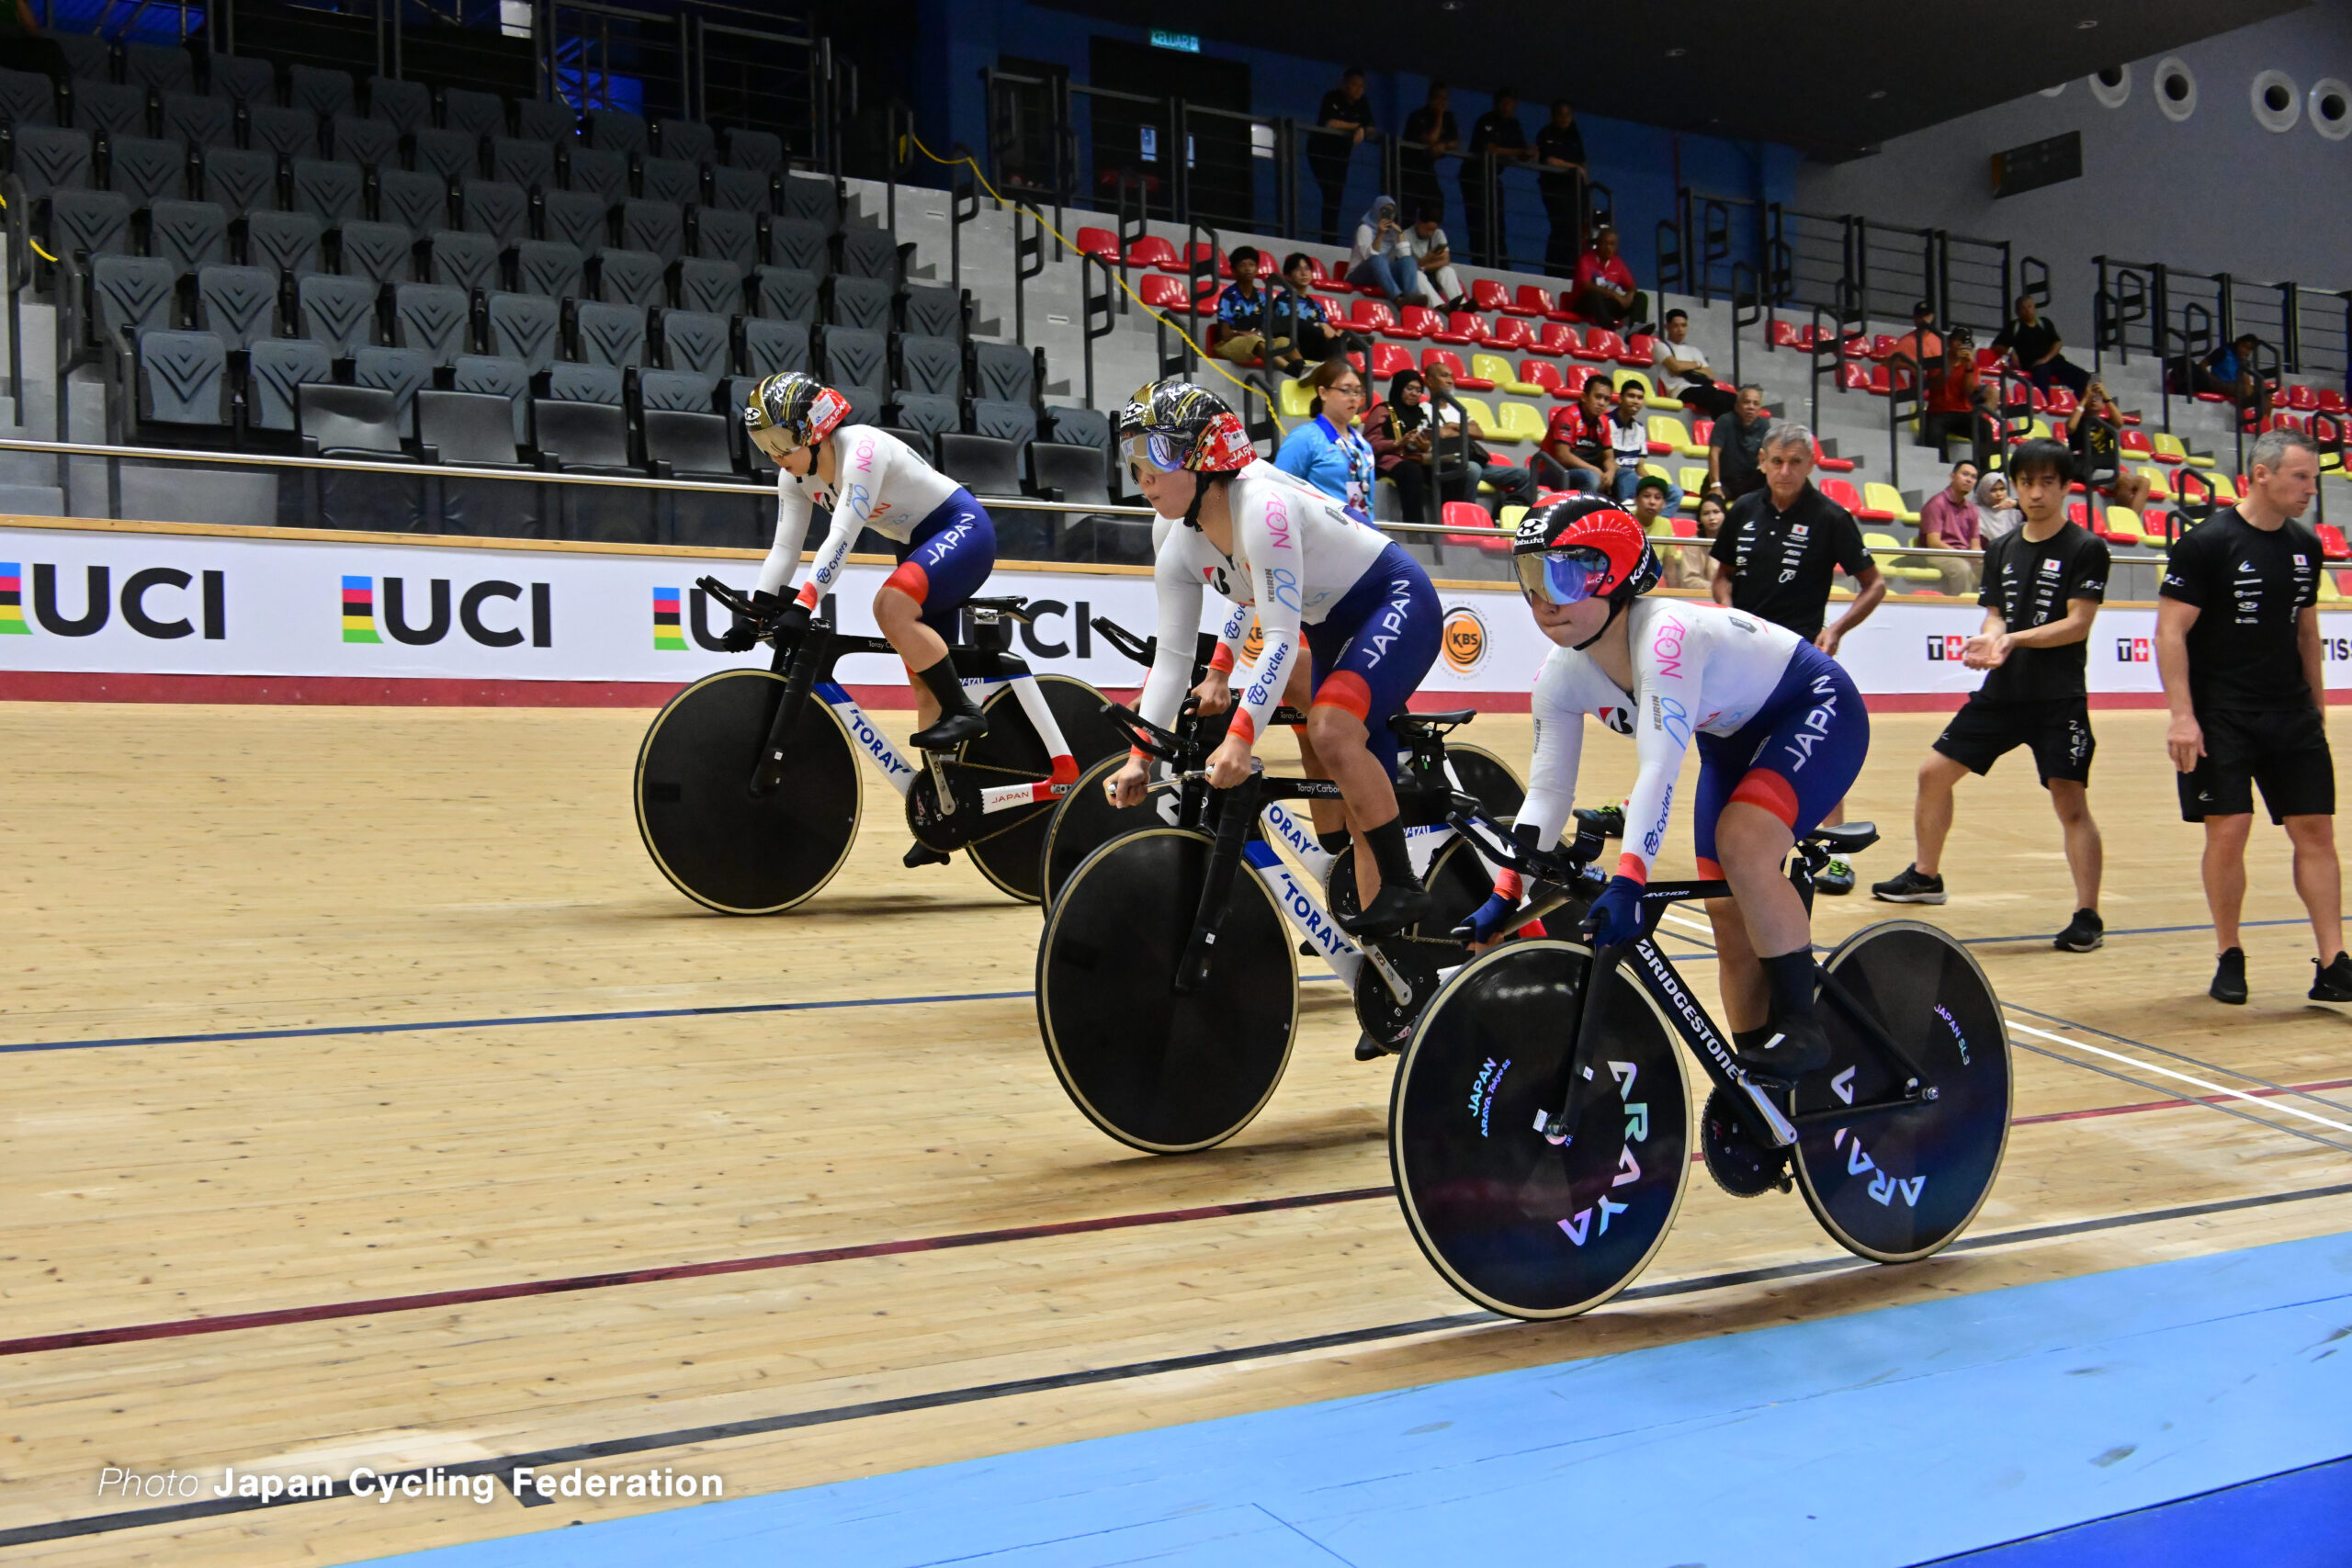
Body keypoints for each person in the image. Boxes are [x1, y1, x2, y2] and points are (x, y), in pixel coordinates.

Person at [1461, 498, 1871, 1084]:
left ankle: (1802, 1027)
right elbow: (1548, 795)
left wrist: (1630, 879)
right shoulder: (1559, 674)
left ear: (1619, 574)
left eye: (1566, 573)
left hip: (1815, 706)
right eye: (1530, 575)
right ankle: (1760, 1083)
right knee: (1726, 914)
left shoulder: (1666, 637)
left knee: (1743, 842)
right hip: (1731, 738)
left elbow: (1658, 771)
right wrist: (1506, 895)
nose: (1544, 598)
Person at [1109, 378, 1444, 942]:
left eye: (1158, 453)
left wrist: (1240, 739)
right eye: (1132, 455)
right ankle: (1393, 985)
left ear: (1207, 455)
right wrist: (1140, 758)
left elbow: (1281, 639)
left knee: (1332, 729)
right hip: (1335, 623)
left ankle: (1403, 882)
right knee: (1362, 808)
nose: (1142, 474)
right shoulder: (1175, 538)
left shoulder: (1261, 508)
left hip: (1396, 600)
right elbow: (1171, 659)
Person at [739, 372, 1040, 869]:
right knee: (923, 688)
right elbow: (785, 547)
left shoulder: (860, 449)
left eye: (780, 440)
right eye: (761, 442)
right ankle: (943, 816)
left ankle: (967, 710)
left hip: (960, 529)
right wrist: (757, 610)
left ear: (815, 430)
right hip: (919, 545)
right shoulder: (793, 475)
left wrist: (804, 603)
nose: (773, 453)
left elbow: (842, 535)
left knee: (890, 607)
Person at [1871, 440, 2109, 953]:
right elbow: (1996, 611)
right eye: (2027, 482)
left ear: (2066, 487)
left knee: (2071, 803)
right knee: (1933, 773)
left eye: (2048, 482)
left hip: (2057, 698)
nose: (2036, 492)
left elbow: (2078, 623)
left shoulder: (2086, 547)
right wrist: (1991, 635)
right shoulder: (2002, 546)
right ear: (2016, 487)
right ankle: (1926, 876)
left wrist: (2013, 639)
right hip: (2003, 692)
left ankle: (2087, 913)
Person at [2155, 428, 2350, 1005]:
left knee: (2315, 830)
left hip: (2291, 714)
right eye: (2301, 477)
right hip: (2221, 716)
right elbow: (2170, 631)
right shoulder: (2206, 543)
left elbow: (2306, 630)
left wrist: (2317, 704)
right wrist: (2182, 717)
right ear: (2261, 474)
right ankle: (2229, 953)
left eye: (2314, 478)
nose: (2310, 489)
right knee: (2230, 830)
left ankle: (2334, 962)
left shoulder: (2305, 544)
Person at [1708, 422, 1886, 895]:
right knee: (1726, 747)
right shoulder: (1743, 510)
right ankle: (1737, 841)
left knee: (1814, 746)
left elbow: (1875, 584)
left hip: (1798, 662)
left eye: (1796, 462)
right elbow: (1721, 575)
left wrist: (1837, 628)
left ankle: (1837, 853)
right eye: (1777, 461)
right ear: (1762, 462)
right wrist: (1725, 609)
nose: (1785, 471)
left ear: (1812, 465)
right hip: (1742, 656)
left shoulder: (1831, 517)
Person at [1424, 358, 1539, 514]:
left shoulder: (1457, 408)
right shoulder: (1423, 409)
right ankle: (1466, 515)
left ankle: (1504, 512)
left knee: (1526, 475)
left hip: (1472, 459)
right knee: (1472, 469)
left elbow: (1478, 433)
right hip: (1447, 462)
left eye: (1451, 376)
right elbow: (1439, 436)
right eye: (1444, 376)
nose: (1450, 380)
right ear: (1429, 381)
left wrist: (1455, 426)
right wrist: (1462, 429)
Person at [1273, 358, 1374, 513]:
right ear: (1323, 393)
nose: (1353, 398)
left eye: (1357, 391)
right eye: (1345, 390)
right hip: (1317, 533)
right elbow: (1276, 492)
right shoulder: (1304, 439)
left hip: (1360, 532)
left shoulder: (1363, 445)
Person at [1366, 367, 1444, 522]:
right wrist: (1396, 443)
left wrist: (1426, 446)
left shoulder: (1421, 414)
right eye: (1410, 388)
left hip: (1416, 457)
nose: (1414, 394)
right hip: (1388, 460)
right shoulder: (1383, 410)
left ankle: (1448, 526)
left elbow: (1428, 443)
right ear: (1399, 387)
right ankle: (1414, 528)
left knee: (1451, 471)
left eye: (1418, 390)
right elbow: (1369, 444)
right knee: (1412, 471)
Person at [1309, 68, 1376, 245]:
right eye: (1354, 85)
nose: (1358, 89)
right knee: (1331, 192)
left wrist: (1363, 129)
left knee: (1336, 196)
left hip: (1341, 155)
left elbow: (1370, 128)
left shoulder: (1363, 103)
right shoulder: (1332, 97)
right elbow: (1330, 123)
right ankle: (1328, 239)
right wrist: (1356, 126)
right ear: (1344, 85)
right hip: (1321, 151)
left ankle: (1330, 239)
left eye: (1361, 86)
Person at [1461, 87, 1527, 265]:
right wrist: (1518, 151)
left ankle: (1501, 263)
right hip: (1474, 176)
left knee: (1498, 221)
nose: (1509, 107)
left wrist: (1527, 152)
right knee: (1479, 222)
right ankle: (1481, 261)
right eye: (1505, 102)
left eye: (1511, 103)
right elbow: (1488, 148)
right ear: (1497, 104)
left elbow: (1522, 151)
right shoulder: (1486, 120)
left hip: (1493, 177)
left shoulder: (1514, 125)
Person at [1271, 253, 1367, 372]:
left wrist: (1333, 332)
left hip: (1316, 345)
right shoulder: (1283, 299)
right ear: (1288, 276)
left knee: (1341, 333)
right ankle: (1345, 344)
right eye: (1298, 269)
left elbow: (1326, 328)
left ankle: (1344, 342)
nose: (1304, 273)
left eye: (1307, 269)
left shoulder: (1315, 305)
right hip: (1297, 345)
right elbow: (1284, 326)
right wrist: (1318, 325)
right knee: (1307, 327)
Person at [2068, 379, 2153, 514]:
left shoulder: (2106, 424)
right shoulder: (2079, 422)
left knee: (2144, 482)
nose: (2095, 400)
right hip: (2087, 469)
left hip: (2106, 468)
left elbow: (2120, 422)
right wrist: (2084, 399)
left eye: (2098, 398)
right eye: (2092, 398)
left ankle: (2132, 522)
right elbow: (2070, 427)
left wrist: (2106, 396)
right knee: (2124, 480)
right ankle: (2124, 520)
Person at [1917, 336, 1993, 470]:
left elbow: (1969, 391)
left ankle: (1984, 470)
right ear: (1949, 344)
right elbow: (1936, 385)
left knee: (1985, 426)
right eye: (1957, 340)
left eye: (1963, 342)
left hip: (1963, 413)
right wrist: (1951, 363)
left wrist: (1969, 367)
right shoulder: (1938, 362)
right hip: (1939, 412)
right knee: (1933, 430)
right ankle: (1942, 468)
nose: (1960, 345)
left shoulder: (1971, 365)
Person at [1992, 294, 2089, 397]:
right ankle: (2042, 405)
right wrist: (2011, 353)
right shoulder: (2013, 327)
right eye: (2023, 308)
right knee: (2041, 373)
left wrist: (2045, 359)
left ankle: (2080, 406)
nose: (2028, 310)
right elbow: (1996, 346)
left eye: (2030, 306)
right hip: (2033, 365)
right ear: (2018, 312)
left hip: (2056, 362)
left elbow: (2057, 343)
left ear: (2034, 308)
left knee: (2084, 378)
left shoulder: (2045, 323)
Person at [1604, 378, 1679, 510]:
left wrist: (1654, 483)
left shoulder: (1639, 428)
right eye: (1631, 396)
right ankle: (1630, 519)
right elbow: (1605, 460)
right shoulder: (1605, 422)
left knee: (1674, 492)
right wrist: (1634, 476)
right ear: (1620, 399)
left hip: (1632, 478)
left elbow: (1640, 467)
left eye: (1639, 398)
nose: (1635, 401)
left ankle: (1650, 524)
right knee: (1629, 475)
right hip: (1614, 477)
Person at [1534, 98, 1588, 276]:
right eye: (1561, 114)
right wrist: (1574, 168)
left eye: (1568, 114)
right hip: (1554, 189)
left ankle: (1571, 268)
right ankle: (1554, 269)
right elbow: (1550, 160)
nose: (1565, 118)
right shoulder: (1546, 133)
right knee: (1560, 228)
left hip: (1574, 191)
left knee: (1574, 230)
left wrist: (1583, 178)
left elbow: (1582, 163)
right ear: (1553, 116)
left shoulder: (1574, 135)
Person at [1915, 457, 1982, 597]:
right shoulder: (1936, 503)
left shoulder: (1973, 509)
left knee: (1993, 569)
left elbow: (1975, 544)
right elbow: (1934, 542)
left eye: (1973, 477)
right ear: (1952, 477)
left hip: (1963, 554)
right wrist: (1963, 556)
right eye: (1965, 474)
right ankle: (1962, 612)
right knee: (1962, 569)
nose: (1969, 480)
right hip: (1937, 553)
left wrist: (1978, 557)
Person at [1539, 373, 1615, 495]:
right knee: (1590, 478)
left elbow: (1608, 456)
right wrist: (1595, 470)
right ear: (1584, 397)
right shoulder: (1568, 416)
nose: (1602, 403)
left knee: (1626, 475)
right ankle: (1581, 513)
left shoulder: (1604, 421)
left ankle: (1622, 511)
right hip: (1554, 470)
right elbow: (1562, 456)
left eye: (1606, 399)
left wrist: (1610, 472)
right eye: (1598, 397)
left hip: (1584, 471)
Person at [1651, 310, 1734, 418]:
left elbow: (1710, 375)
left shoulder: (1694, 350)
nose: (1680, 330)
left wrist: (1684, 367)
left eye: (1683, 325)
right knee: (1716, 397)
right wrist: (1697, 364)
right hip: (1680, 390)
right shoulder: (1660, 346)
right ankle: (1720, 431)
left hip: (1702, 388)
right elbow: (1676, 366)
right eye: (1676, 326)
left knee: (1735, 400)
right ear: (1667, 327)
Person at [1398, 81, 1458, 231]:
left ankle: (1429, 245)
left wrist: (1443, 146)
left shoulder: (1449, 117)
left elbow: (1455, 142)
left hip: (1427, 171)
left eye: (1445, 99)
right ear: (1430, 99)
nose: (1442, 102)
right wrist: (1438, 118)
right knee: (1407, 213)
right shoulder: (1417, 116)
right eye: (1439, 98)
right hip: (1409, 171)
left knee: (1435, 204)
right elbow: (1430, 139)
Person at [1209, 246, 1277, 366]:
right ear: (1233, 270)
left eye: (1252, 265)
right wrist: (1246, 334)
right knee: (1255, 340)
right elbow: (1225, 334)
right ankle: (1288, 368)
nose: (1248, 269)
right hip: (1232, 344)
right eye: (1242, 265)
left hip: (1258, 342)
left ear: (1257, 269)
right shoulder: (1229, 296)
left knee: (1285, 342)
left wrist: (1254, 334)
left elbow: (1267, 330)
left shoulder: (1262, 298)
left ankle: (1303, 370)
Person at [1349, 195, 1423, 303]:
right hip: (1359, 275)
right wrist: (1380, 234)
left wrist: (1400, 234)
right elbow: (1370, 257)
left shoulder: (1393, 232)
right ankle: (1398, 299)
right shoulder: (1365, 229)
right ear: (1376, 211)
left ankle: (1412, 296)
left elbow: (1405, 255)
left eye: (1392, 211)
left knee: (1409, 261)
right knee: (1379, 259)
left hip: (1383, 275)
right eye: (1384, 210)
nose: (1389, 214)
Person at [1572, 226, 1645, 331]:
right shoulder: (1585, 260)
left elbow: (1632, 286)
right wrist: (1615, 295)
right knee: (1593, 295)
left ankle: (1635, 332)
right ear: (1598, 244)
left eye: (1612, 244)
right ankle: (1610, 330)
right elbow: (1586, 286)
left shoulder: (1618, 263)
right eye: (1605, 243)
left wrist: (1629, 295)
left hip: (1606, 305)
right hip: (1585, 303)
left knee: (1640, 297)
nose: (1608, 247)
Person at [1706, 384, 1771, 502]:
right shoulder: (1724, 421)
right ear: (1737, 405)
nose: (1751, 407)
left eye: (1755, 404)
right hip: (1723, 480)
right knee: (1714, 502)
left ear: (1760, 409)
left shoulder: (1764, 425)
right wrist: (1715, 485)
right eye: (1746, 402)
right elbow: (1713, 453)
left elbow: (1769, 454)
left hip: (1747, 481)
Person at [2194, 333, 2273, 423]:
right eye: (2245, 347)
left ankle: (2264, 424)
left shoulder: (2244, 361)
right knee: (2245, 389)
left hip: (2235, 387)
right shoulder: (2223, 352)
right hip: (2219, 383)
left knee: (2266, 393)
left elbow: (2246, 381)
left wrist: (2243, 364)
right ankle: (2245, 406)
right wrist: (2211, 378)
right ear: (2239, 343)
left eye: (2249, 350)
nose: (2246, 352)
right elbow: (2202, 365)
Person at [1402, 207, 1468, 310]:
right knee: (1417, 274)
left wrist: (1425, 266)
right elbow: (1408, 266)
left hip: (1432, 276)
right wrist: (1427, 258)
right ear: (1418, 223)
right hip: (1416, 284)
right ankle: (1440, 306)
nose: (1430, 233)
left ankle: (1461, 305)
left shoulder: (1438, 234)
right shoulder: (1406, 236)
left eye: (1433, 230)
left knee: (1447, 270)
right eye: (1427, 229)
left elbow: (1445, 260)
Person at [1972, 469, 2023, 543]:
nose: (1999, 494)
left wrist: (2016, 504)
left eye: (2002, 489)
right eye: (1993, 490)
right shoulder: (1976, 512)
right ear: (1984, 491)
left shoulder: (2014, 511)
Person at [1888, 300, 1942, 367]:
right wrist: (1910, 366)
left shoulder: (1939, 340)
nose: (1923, 319)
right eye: (1919, 316)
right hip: (1919, 377)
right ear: (1914, 318)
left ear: (1932, 317)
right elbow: (1886, 361)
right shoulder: (1906, 341)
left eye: (1926, 315)